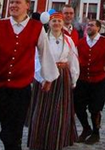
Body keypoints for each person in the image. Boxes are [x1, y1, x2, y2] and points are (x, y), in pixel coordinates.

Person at [0, 0, 59, 150]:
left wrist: (48, 77)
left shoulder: (36, 28)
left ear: (27, 5)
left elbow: (44, 53)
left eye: (17, 2)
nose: (13, 5)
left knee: (12, 137)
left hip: (20, 91)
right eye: (11, 2)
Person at [28, 11, 79, 150]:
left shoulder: (68, 40)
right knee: (42, 110)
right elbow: (36, 59)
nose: (56, 24)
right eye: (54, 21)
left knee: (59, 111)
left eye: (59, 21)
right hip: (45, 75)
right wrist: (42, 78)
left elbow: (72, 60)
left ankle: (57, 141)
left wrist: (73, 78)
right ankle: (39, 141)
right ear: (49, 23)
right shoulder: (42, 39)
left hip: (62, 76)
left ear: (63, 24)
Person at [74, 19, 105, 144]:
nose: (89, 27)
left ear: (98, 28)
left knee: (95, 108)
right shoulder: (80, 42)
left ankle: (96, 133)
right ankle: (86, 128)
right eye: (88, 25)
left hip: (98, 80)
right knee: (78, 106)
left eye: (91, 25)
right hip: (83, 79)